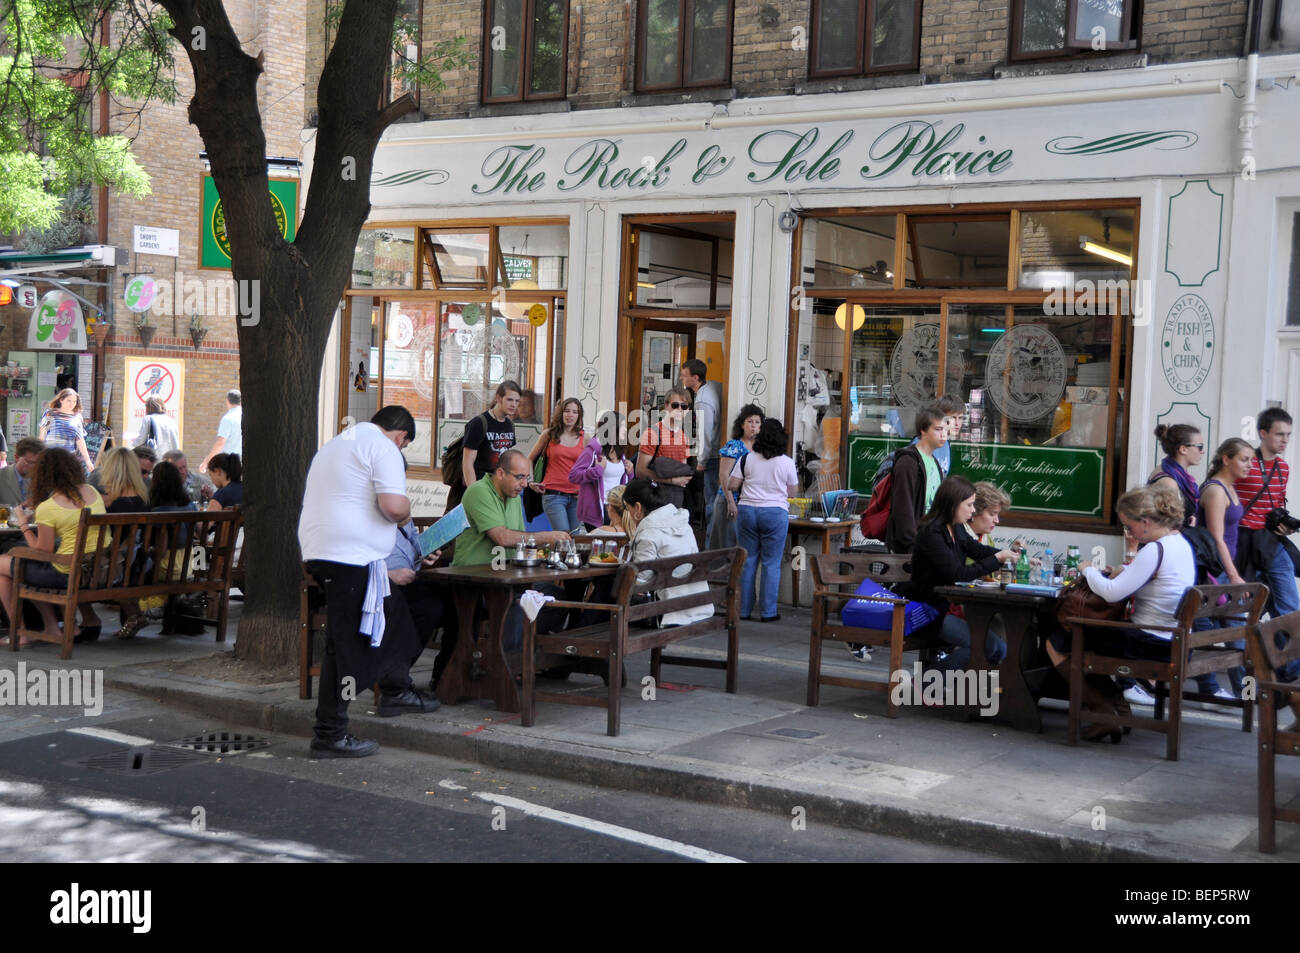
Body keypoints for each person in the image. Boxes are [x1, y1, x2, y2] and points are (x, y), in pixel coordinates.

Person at [299, 406, 441, 759]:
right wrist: (407, 509)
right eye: (404, 445)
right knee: (348, 645)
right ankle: (330, 733)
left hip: (324, 550)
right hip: (350, 557)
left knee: (393, 615)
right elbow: (393, 507)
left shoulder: (337, 444)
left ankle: (395, 689)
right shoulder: (384, 447)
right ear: (401, 437)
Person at [1046, 485, 1196, 743]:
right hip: (1174, 639)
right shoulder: (1179, 544)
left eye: (1130, 526)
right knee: (1090, 636)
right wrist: (1123, 571)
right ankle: (1117, 705)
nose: (1129, 533)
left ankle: (1104, 711)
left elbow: (1112, 593)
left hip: (1152, 642)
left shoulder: (1154, 549)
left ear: (1146, 523)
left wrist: (1088, 570)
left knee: (1059, 641)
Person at [451, 448, 572, 652]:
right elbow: (503, 538)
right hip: (474, 579)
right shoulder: (479, 491)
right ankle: (503, 663)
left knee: (557, 599)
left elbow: (520, 540)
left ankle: (523, 654)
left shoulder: (514, 495)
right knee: (518, 604)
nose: (524, 484)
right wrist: (548, 537)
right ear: (500, 473)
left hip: (506, 577)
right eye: (519, 477)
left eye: (527, 478)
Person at [900, 475, 1018, 673]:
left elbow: (977, 551)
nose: (973, 511)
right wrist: (998, 559)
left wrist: (1012, 556)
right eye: (970, 505)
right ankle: (928, 682)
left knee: (998, 648)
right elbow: (958, 573)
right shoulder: (932, 533)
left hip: (946, 607)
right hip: (927, 611)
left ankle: (952, 686)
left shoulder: (954, 528)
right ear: (954, 503)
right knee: (991, 646)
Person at [0, 449, 107, 647]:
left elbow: (43, 551)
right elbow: (71, 525)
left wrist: (24, 523)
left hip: (67, 572)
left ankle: (21, 633)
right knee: (19, 564)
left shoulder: (48, 507)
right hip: (97, 567)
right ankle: (50, 627)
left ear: (44, 474)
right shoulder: (92, 492)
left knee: (3, 566)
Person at [1188, 437, 1254, 700]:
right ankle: (1226, 690)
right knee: (1223, 627)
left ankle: (1244, 690)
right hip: (1214, 570)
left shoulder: (1230, 487)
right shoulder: (1216, 490)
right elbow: (1216, 538)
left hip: (1226, 569)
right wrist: (1235, 576)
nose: (1250, 465)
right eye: (1244, 459)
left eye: (1251, 460)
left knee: (1235, 628)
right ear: (1226, 459)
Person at [730, 418, 798, 622]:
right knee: (771, 563)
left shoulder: (747, 458)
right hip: (774, 513)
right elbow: (792, 492)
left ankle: (743, 610)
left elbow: (733, 484)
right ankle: (768, 612)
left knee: (748, 561)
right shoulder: (786, 462)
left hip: (748, 511)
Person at [622, 478, 714, 627]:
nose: (630, 513)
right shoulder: (683, 523)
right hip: (697, 604)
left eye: (628, 508)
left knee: (608, 590)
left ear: (638, 507)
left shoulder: (649, 534)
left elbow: (641, 579)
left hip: (668, 612)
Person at [886, 408, 947, 554]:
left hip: (929, 543)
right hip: (910, 547)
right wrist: (911, 545)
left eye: (946, 430)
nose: (944, 434)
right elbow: (902, 506)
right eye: (938, 429)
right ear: (923, 431)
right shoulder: (908, 461)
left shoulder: (935, 463)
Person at [528, 397, 588, 533]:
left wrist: (587, 488)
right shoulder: (549, 435)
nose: (570, 415)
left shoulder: (585, 438)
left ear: (579, 416)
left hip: (576, 497)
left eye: (574, 412)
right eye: (567, 411)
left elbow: (595, 467)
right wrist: (530, 481)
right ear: (560, 413)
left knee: (574, 539)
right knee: (563, 538)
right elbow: (529, 459)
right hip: (553, 495)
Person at [568, 411, 632, 530]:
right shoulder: (594, 448)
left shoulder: (619, 450)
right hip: (597, 510)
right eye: (623, 426)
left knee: (613, 546)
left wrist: (630, 472)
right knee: (601, 546)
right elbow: (573, 475)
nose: (625, 430)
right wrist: (597, 470)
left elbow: (623, 481)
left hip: (616, 507)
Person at [711, 404, 763, 550]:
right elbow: (723, 474)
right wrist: (730, 502)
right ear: (742, 424)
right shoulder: (734, 445)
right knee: (726, 546)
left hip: (748, 502)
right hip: (729, 499)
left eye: (757, 422)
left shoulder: (761, 448)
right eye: (749, 422)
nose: (753, 426)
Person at [681, 359, 721, 539]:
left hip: (712, 456)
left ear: (695, 378)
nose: (681, 378)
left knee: (711, 502)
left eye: (684, 375)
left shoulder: (702, 400)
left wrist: (702, 460)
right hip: (717, 452)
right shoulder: (714, 386)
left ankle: (710, 544)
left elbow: (706, 433)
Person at [635, 385, 694, 506]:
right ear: (666, 406)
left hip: (676, 497)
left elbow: (682, 469)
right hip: (655, 496)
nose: (679, 409)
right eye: (675, 405)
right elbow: (640, 472)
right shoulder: (653, 433)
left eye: (684, 406)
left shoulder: (684, 437)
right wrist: (672, 481)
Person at [460, 380, 521, 489]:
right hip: (481, 484)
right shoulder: (479, 423)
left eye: (517, 401)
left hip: (501, 485)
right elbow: (467, 462)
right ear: (498, 398)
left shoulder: (510, 425)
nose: (514, 404)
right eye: (509, 400)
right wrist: (473, 491)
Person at [1147, 423, 1205, 526]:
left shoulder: (1174, 472)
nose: (1203, 451)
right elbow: (1168, 525)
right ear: (1183, 449)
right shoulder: (1168, 482)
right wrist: (1191, 524)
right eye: (1200, 447)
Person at [39, 389, 93, 471]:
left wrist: (88, 460)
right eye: (69, 401)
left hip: (68, 457)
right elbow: (42, 435)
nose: (72, 404)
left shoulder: (78, 417)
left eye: (74, 401)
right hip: (50, 455)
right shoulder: (50, 414)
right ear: (61, 400)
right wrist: (38, 454)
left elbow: (80, 440)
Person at [200, 389, 242, 473]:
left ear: (227, 401)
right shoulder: (245, 416)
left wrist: (206, 462)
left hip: (229, 464)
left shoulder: (228, 418)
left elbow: (220, 444)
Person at [0, 437, 43, 506]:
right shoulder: (2, 476)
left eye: (39, 463)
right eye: (30, 462)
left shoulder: (44, 479)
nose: (35, 467)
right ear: (16, 457)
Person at [967, 481, 1011, 546]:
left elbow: (994, 555)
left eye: (997, 514)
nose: (997, 521)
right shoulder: (956, 537)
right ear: (974, 511)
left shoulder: (986, 537)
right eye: (992, 514)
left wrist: (1013, 552)